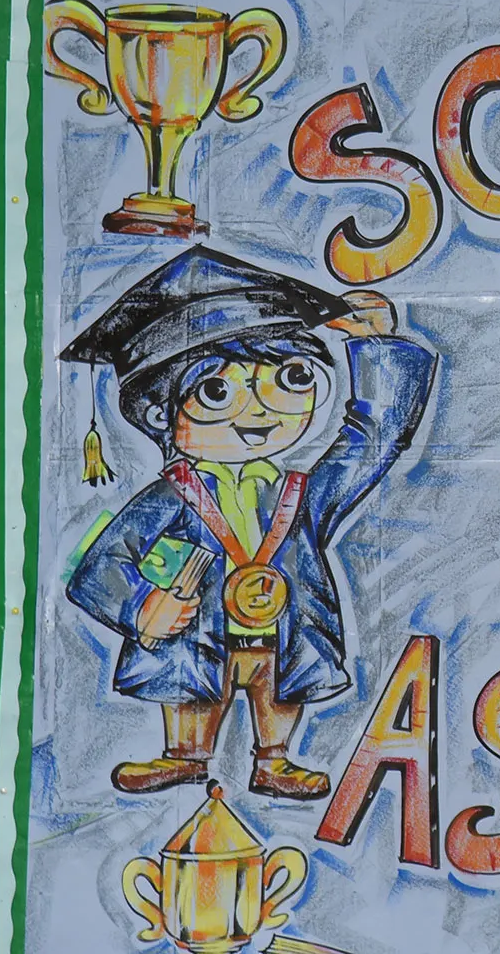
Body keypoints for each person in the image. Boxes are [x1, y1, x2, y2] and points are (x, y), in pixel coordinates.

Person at [64, 246, 436, 799]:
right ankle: (185, 755)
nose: (260, 410)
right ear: (162, 413)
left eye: (290, 378)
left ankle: (275, 757)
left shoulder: (300, 495)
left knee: (279, 680)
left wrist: (378, 348)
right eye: (218, 391)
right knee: (191, 674)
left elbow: (370, 446)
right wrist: (142, 607)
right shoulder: (170, 497)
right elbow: (99, 565)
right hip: (197, 634)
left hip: (280, 632)